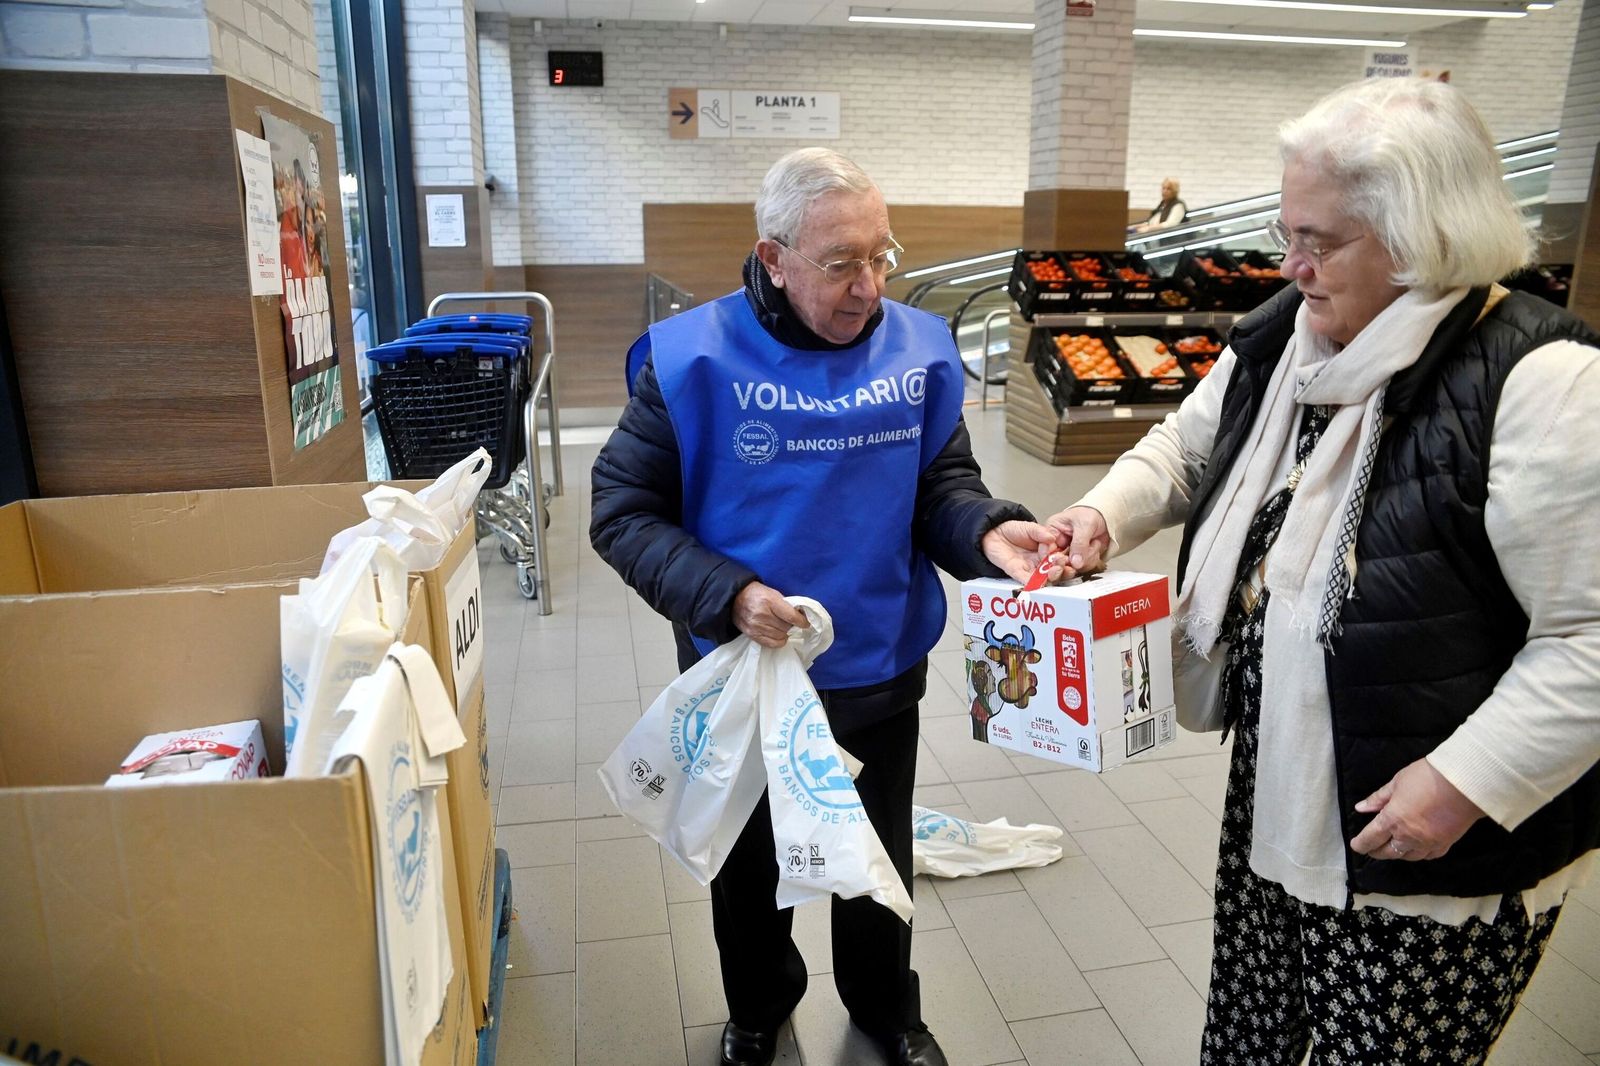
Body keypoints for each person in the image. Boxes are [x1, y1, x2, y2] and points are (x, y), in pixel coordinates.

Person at [1043, 77, 1600, 1065]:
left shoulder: (1539, 383)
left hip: (1425, 841)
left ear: (1422, 232)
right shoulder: (1287, 338)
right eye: (1283, 230)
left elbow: (1588, 638)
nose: (1289, 264)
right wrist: (1097, 516)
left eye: (1321, 240)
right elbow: (1184, 448)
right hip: (1285, 791)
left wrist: (1465, 781)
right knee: (1250, 1040)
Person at [590, 148, 1058, 1066]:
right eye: (841, 264)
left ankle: (886, 1008)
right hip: (746, 672)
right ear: (773, 258)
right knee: (748, 861)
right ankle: (760, 1005)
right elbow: (622, 510)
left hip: (879, 660)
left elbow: (943, 487)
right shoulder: (691, 360)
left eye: (881, 257)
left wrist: (987, 534)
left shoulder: (917, 349)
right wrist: (726, 593)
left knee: (875, 855)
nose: (868, 287)